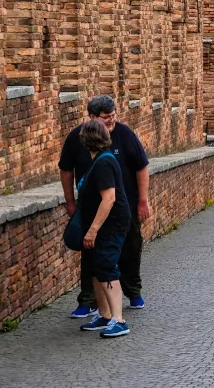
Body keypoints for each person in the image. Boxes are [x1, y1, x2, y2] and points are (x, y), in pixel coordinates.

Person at [60, 95, 150, 317]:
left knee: (129, 248)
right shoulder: (77, 138)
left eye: (113, 116)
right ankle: (90, 302)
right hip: (91, 208)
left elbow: (141, 167)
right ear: (91, 117)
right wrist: (70, 201)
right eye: (106, 118)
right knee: (92, 256)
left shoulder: (123, 136)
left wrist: (143, 200)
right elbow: (66, 169)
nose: (111, 121)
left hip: (123, 207)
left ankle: (130, 295)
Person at [75, 119, 133, 338]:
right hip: (101, 225)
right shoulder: (98, 161)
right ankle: (105, 314)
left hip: (110, 224)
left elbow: (109, 199)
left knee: (107, 265)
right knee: (96, 267)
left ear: (86, 140)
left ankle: (119, 320)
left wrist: (93, 230)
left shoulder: (104, 163)